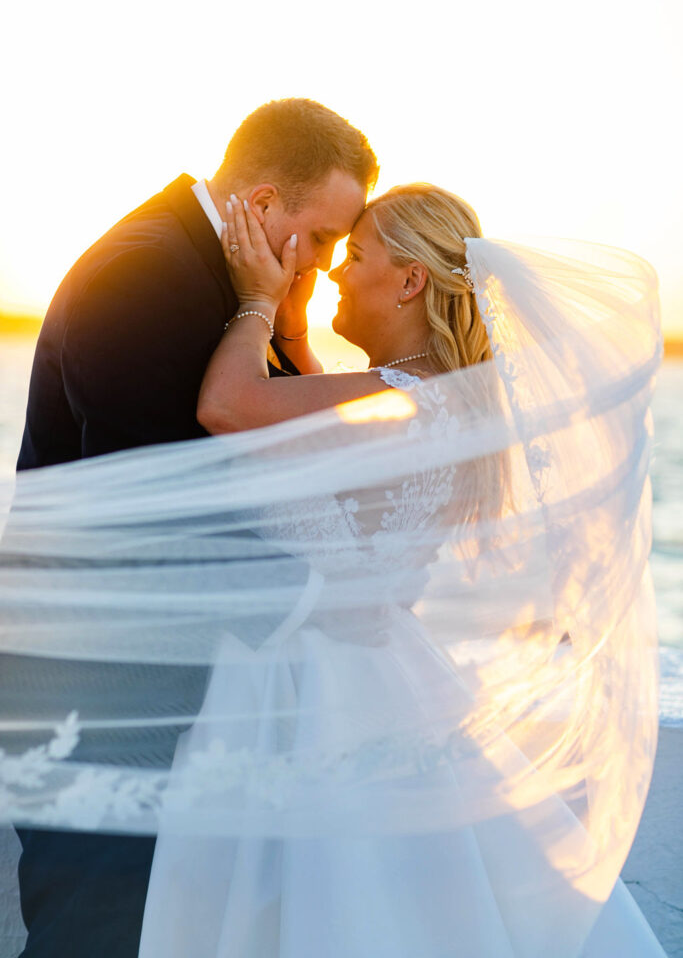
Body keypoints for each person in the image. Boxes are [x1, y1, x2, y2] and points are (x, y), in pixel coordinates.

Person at [131, 184, 665, 956]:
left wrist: (254, 299)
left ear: (410, 280)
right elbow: (342, 453)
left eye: (355, 256)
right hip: (376, 673)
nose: (336, 273)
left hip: (308, 688)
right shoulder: (439, 400)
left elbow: (227, 406)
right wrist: (297, 338)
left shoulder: (403, 399)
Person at [11, 98, 378, 958]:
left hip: (167, 674)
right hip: (98, 681)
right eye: (320, 237)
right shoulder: (144, 272)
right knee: (92, 925)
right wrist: (319, 601)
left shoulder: (230, 277)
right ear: (258, 203)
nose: (323, 268)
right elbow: (146, 510)